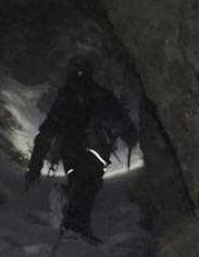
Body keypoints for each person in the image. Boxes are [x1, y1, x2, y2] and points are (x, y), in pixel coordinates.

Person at [24, 55, 139, 242]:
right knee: (87, 184)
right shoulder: (96, 95)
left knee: (83, 183)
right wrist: (129, 135)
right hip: (92, 149)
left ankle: (74, 222)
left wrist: (34, 167)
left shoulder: (68, 99)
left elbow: (46, 134)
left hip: (76, 149)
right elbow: (120, 120)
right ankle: (76, 224)